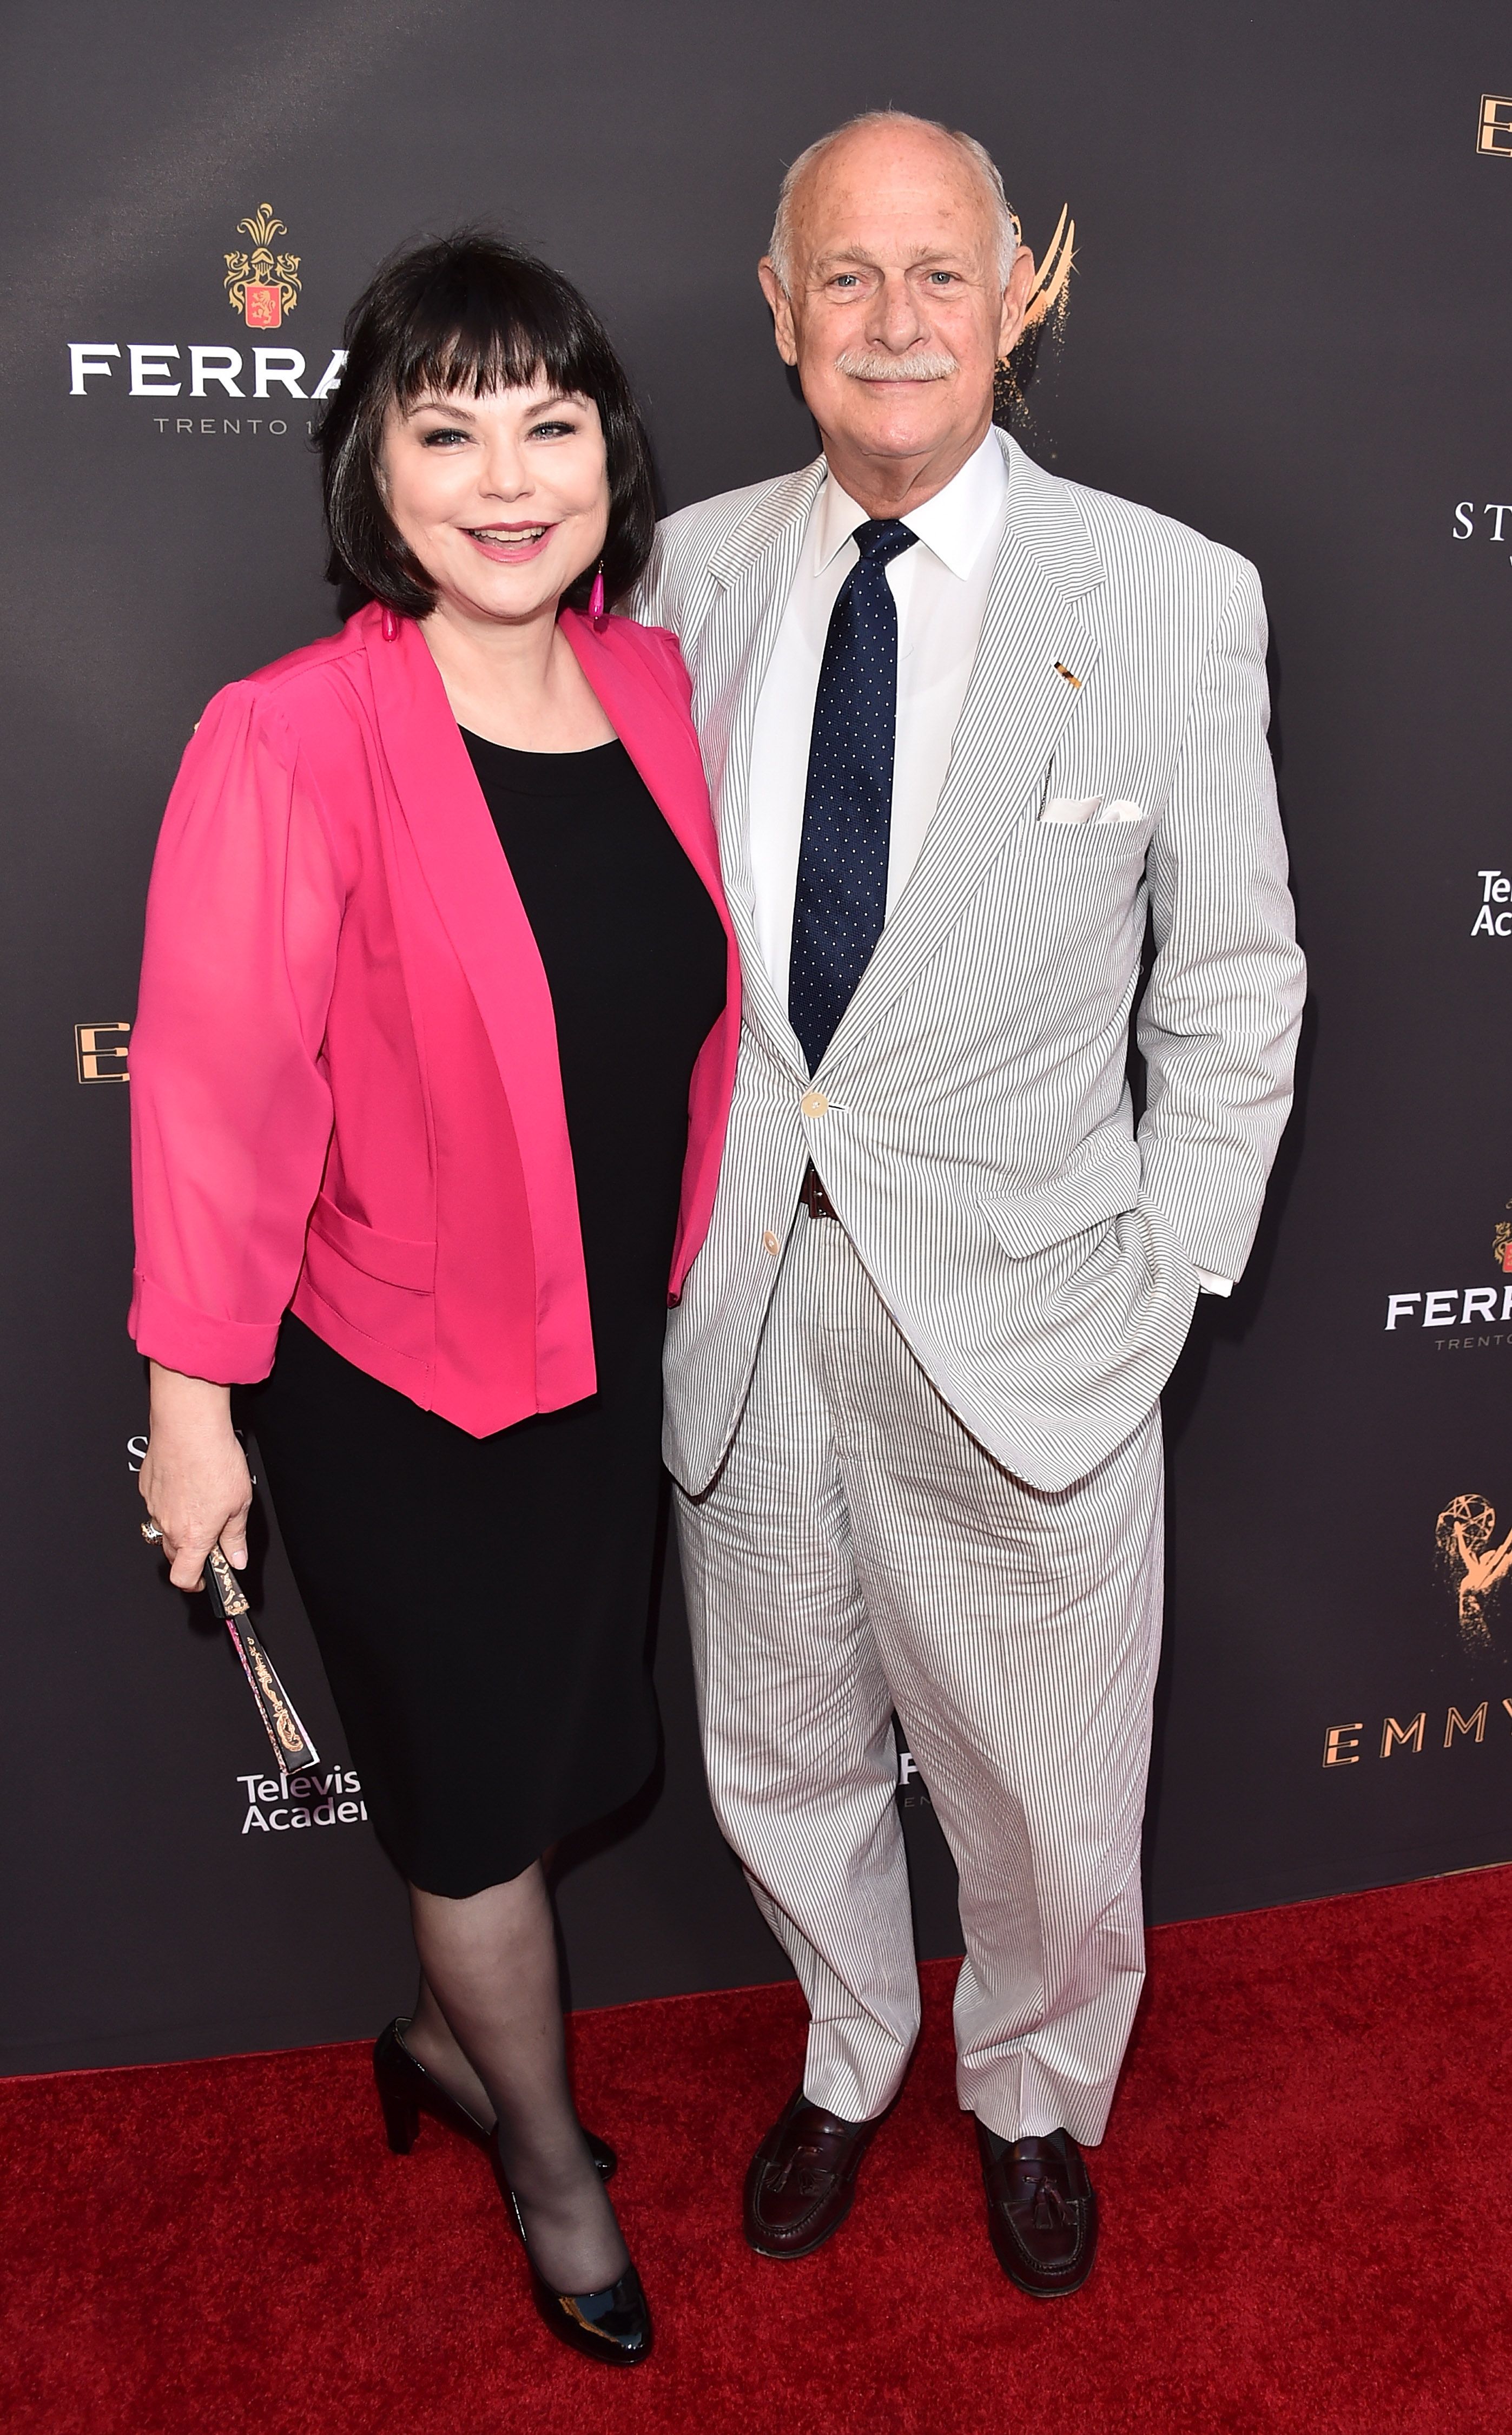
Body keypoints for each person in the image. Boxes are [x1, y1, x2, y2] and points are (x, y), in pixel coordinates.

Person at [633, 111, 1305, 2296]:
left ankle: (1031, 2090)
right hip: (751, 1296)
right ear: (778, 309)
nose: (897, 321)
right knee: (781, 1738)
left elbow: (1230, 975)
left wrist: (1173, 1277)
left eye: (943, 273)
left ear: (1027, 294)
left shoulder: (1175, 594)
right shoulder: (684, 572)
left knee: (1047, 1784)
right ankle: (847, 2058)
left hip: (1035, 1316)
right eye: (849, 275)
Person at [130, 233, 739, 2368]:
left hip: (597, 1356)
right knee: (479, 1803)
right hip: (397, 1383)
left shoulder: (655, 689)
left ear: (608, 454)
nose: (506, 475)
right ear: (372, 474)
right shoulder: (290, 737)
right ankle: (545, 2155)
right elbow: (213, 1096)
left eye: (549, 423)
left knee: (554, 1763)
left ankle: (439, 2040)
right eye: (447, 426)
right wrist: (194, 1408)